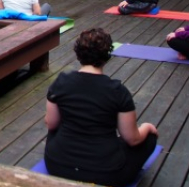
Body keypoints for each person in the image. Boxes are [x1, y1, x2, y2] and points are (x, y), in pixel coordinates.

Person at [45, 28, 159, 187]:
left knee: (55, 127)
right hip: (106, 173)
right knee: (149, 139)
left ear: (78, 54)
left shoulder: (61, 82)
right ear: (106, 56)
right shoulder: (117, 91)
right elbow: (132, 139)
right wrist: (147, 128)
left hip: (58, 166)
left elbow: (51, 124)